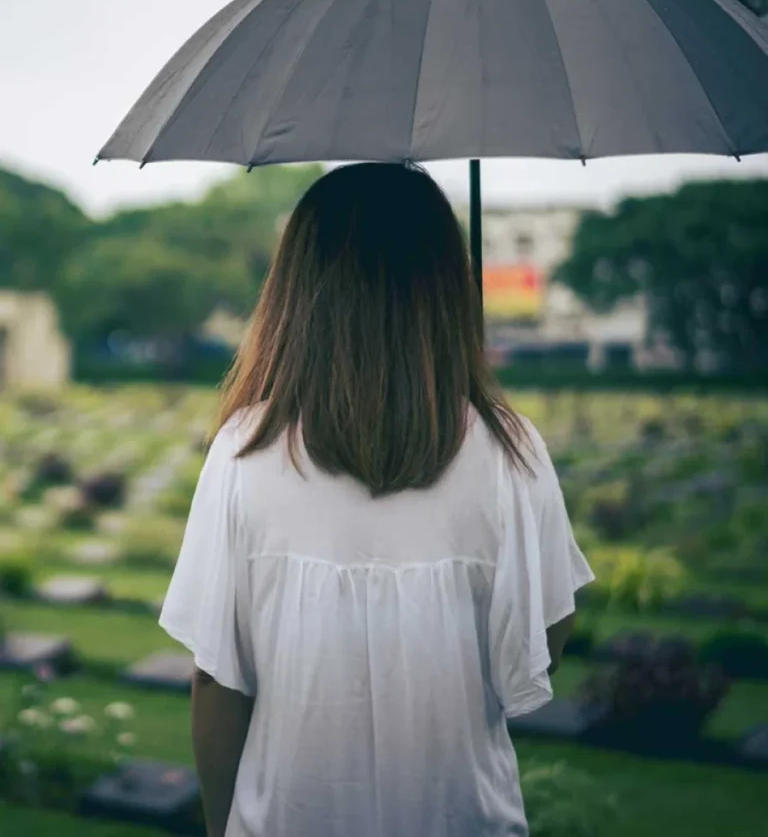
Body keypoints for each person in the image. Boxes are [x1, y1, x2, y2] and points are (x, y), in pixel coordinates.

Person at [159, 162, 594, 837]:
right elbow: (546, 641)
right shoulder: (512, 450)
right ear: (444, 285)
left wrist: (221, 827)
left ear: (299, 289)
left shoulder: (244, 449)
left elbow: (218, 681)